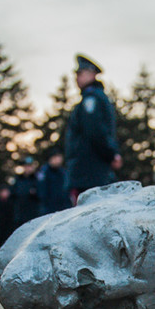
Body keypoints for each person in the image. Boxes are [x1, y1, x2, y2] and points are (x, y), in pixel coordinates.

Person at [64, 54, 122, 205]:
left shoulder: (92, 99)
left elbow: (95, 131)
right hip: (89, 173)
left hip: (89, 173)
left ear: (92, 74)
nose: (77, 78)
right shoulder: (91, 98)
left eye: (80, 73)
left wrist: (111, 155)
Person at [37, 148, 72, 215]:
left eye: (59, 157)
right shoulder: (44, 172)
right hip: (49, 209)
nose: (58, 160)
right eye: (55, 158)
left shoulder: (63, 172)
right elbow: (42, 192)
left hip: (64, 207)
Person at [11, 156, 41, 229]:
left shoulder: (38, 180)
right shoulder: (18, 180)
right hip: (20, 215)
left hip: (33, 215)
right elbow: (13, 194)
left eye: (30, 166)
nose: (28, 168)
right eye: (26, 166)